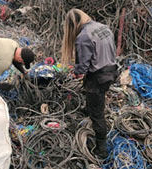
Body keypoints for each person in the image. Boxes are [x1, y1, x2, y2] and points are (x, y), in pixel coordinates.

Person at [61, 9, 118, 159]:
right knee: (93, 95)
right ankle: (88, 108)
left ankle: (101, 148)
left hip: (98, 78)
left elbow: (82, 69)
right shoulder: (103, 27)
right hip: (111, 71)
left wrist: (74, 72)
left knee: (97, 114)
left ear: (73, 24)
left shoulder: (83, 37)